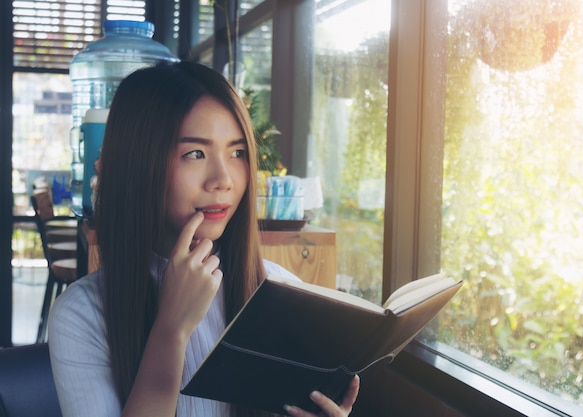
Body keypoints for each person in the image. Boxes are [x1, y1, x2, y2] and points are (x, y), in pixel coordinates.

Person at [48, 61, 360, 417]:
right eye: (195, 153)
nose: (223, 179)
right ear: (137, 164)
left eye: (237, 152)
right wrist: (171, 328)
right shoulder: (83, 315)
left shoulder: (281, 292)